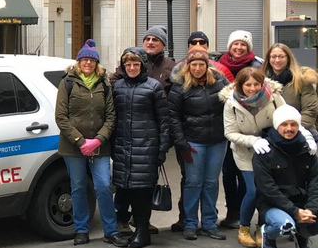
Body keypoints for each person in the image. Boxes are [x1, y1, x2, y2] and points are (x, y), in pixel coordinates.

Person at [220, 67, 317, 248]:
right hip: (246, 153)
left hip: (272, 152)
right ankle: (244, 226)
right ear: (240, 85)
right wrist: (253, 140)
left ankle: (262, 226)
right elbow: (230, 132)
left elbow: (287, 116)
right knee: (253, 190)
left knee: (269, 189)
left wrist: (306, 136)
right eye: (248, 84)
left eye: (256, 84)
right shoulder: (231, 103)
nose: (252, 88)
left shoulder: (273, 97)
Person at [54, 40, 121, 247]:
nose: (88, 63)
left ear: (97, 63)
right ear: (78, 61)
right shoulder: (67, 82)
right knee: (78, 187)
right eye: (84, 59)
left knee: (103, 186)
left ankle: (111, 230)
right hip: (73, 147)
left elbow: (111, 116)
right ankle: (81, 229)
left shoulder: (104, 84)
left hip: (100, 146)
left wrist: (98, 139)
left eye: (92, 60)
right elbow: (60, 116)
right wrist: (81, 141)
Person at [110, 26, 174, 235]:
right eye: (147, 38)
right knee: (123, 185)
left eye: (156, 39)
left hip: (147, 142)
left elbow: (164, 117)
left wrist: (163, 147)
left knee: (144, 186)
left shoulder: (168, 70)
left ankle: (142, 223)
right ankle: (122, 220)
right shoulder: (118, 84)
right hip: (124, 141)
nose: (150, 42)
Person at [167, 32, 233, 232]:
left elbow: (232, 106)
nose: (197, 68)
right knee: (193, 183)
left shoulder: (220, 83)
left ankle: (210, 223)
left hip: (217, 142)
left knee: (211, 183)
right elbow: (173, 118)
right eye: (194, 64)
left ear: (207, 66)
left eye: (201, 64)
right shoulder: (179, 88)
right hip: (193, 143)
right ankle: (189, 223)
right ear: (188, 66)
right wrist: (182, 144)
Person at [254, 105, 318, 248]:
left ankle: (302, 234)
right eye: (284, 124)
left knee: (313, 218)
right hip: (273, 205)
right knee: (283, 225)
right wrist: (295, 212)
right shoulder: (265, 151)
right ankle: (268, 235)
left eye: (293, 124)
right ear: (277, 126)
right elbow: (267, 188)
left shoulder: (307, 150)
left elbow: (315, 183)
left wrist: (311, 209)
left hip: (301, 202)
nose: (289, 128)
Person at [218, 30, 264, 230]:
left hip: (252, 131)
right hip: (227, 126)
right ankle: (232, 211)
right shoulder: (219, 65)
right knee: (228, 172)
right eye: (235, 44)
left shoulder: (258, 66)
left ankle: (246, 212)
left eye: (243, 44)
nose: (239, 47)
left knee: (247, 173)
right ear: (229, 46)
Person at [263, 43, 318, 132]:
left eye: (281, 57)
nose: (277, 60)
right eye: (273, 57)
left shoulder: (302, 80)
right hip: (271, 130)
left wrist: (295, 128)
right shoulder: (261, 81)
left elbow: (310, 109)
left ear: (288, 58)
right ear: (268, 59)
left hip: (300, 128)